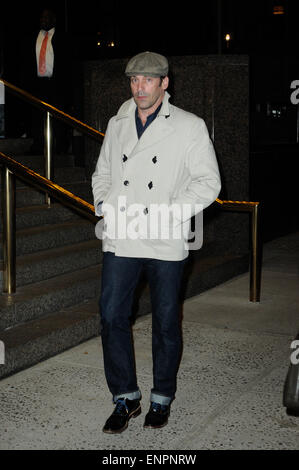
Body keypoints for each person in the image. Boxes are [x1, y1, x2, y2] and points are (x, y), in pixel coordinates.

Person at [92, 51, 221, 433]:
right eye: (134, 80)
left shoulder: (189, 126)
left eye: (148, 80)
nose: (140, 87)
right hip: (122, 235)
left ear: (165, 84)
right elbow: (102, 172)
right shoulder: (118, 124)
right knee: (112, 315)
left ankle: (161, 397)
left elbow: (208, 183)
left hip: (165, 237)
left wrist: (169, 212)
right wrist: (103, 203)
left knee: (165, 321)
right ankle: (125, 397)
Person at [22, 7, 70, 154]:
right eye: (42, 18)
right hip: (38, 83)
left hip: (56, 83)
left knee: (58, 116)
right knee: (37, 115)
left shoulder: (62, 37)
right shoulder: (34, 36)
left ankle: (61, 147)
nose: (43, 20)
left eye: (46, 17)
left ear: (53, 20)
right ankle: (37, 145)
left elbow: (67, 62)